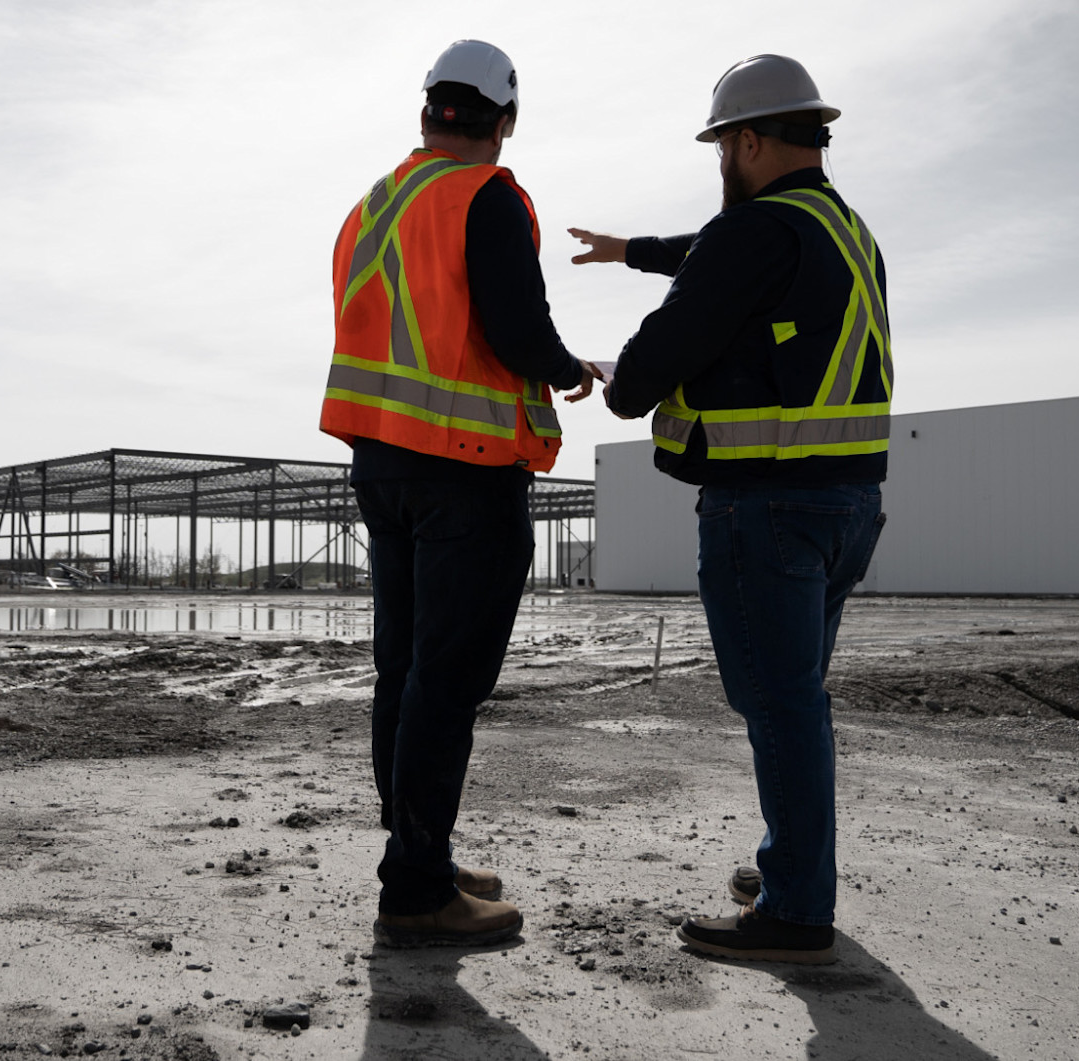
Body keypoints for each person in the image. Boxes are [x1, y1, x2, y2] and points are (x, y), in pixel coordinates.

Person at [570, 54, 890, 964]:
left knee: (779, 704)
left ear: (748, 141)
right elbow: (719, 257)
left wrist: (618, 382)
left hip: (769, 506)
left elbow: (668, 343)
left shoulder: (756, 233)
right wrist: (632, 250)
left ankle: (795, 909)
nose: (719, 160)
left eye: (721, 144)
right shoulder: (840, 227)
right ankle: (795, 868)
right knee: (797, 700)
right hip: (847, 504)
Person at [320, 39, 602, 948]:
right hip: (466, 468)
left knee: (402, 670)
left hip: (382, 462)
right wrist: (569, 370)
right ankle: (416, 889)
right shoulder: (485, 196)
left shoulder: (373, 206)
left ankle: (421, 855)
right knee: (445, 681)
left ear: (428, 110)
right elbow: (518, 328)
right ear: (503, 118)